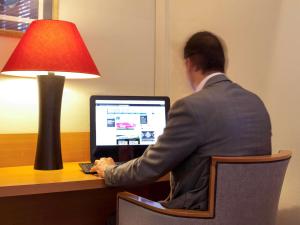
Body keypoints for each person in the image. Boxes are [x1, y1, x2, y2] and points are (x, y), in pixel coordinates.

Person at [91, 31, 271, 211]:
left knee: (117, 212)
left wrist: (109, 170)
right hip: (249, 215)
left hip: (198, 218)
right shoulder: (256, 103)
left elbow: (147, 169)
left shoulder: (191, 107)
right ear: (223, 63)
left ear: (189, 63)